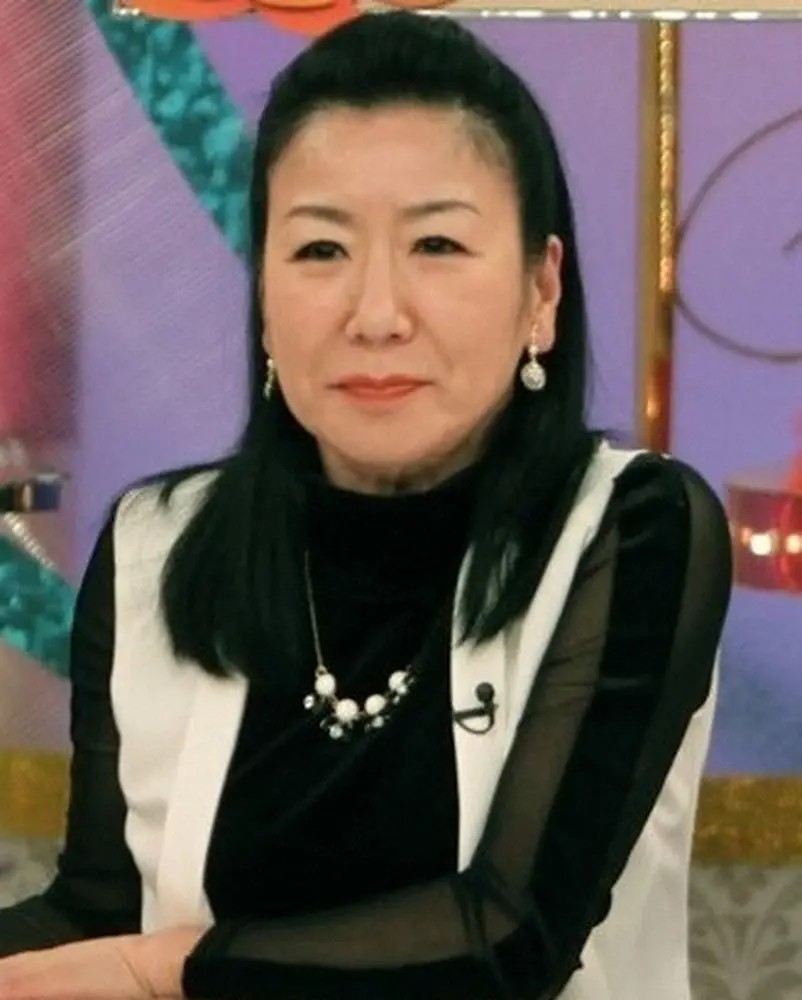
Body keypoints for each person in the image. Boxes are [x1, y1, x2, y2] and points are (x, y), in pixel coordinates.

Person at [0, 11, 732, 1000]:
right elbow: (97, 909)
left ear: (541, 290)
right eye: (319, 250)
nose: (377, 314)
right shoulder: (156, 547)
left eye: (437, 243)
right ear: (265, 296)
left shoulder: (633, 528)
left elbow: (505, 941)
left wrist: (154, 969)